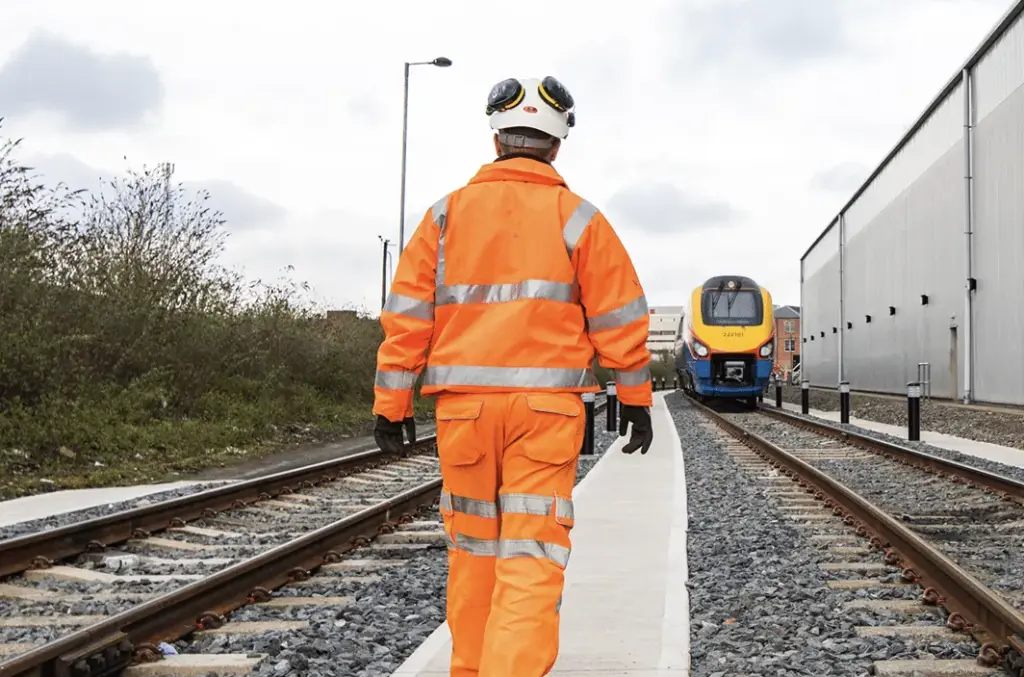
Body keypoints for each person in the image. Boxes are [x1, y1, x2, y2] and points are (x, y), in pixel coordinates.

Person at [372, 75, 653, 677]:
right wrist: (633, 397)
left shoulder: (444, 217)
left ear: (496, 137)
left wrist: (391, 406)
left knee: (473, 555)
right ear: (558, 145)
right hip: (547, 415)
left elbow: (407, 321)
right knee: (530, 556)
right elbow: (620, 313)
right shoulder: (578, 218)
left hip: (464, 416)